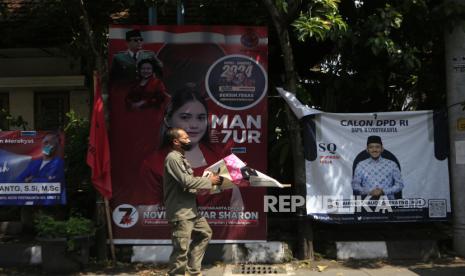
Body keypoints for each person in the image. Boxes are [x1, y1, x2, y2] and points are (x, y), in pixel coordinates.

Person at [140, 85, 244, 207]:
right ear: (168, 120)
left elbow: (237, 205)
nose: (194, 125)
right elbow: (147, 215)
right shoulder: (152, 164)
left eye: (201, 118)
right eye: (185, 117)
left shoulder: (223, 155)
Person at [163, 127, 221, 276]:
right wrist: (208, 181)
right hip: (181, 212)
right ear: (176, 141)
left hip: (191, 210)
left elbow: (188, 185)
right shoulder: (173, 158)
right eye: (185, 138)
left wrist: (207, 185)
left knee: (205, 233)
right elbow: (186, 181)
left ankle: (193, 271)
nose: (189, 140)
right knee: (181, 249)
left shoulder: (181, 158)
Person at [351, 135, 404, 200]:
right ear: (367, 150)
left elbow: (400, 184)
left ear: (382, 149)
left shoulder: (392, 164)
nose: (374, 150)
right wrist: (369, 191)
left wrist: (383, 191)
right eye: (371, 147)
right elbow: (355, 185)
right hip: (367, 204)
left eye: (377, 147)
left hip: (388, 203)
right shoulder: (361, 165)